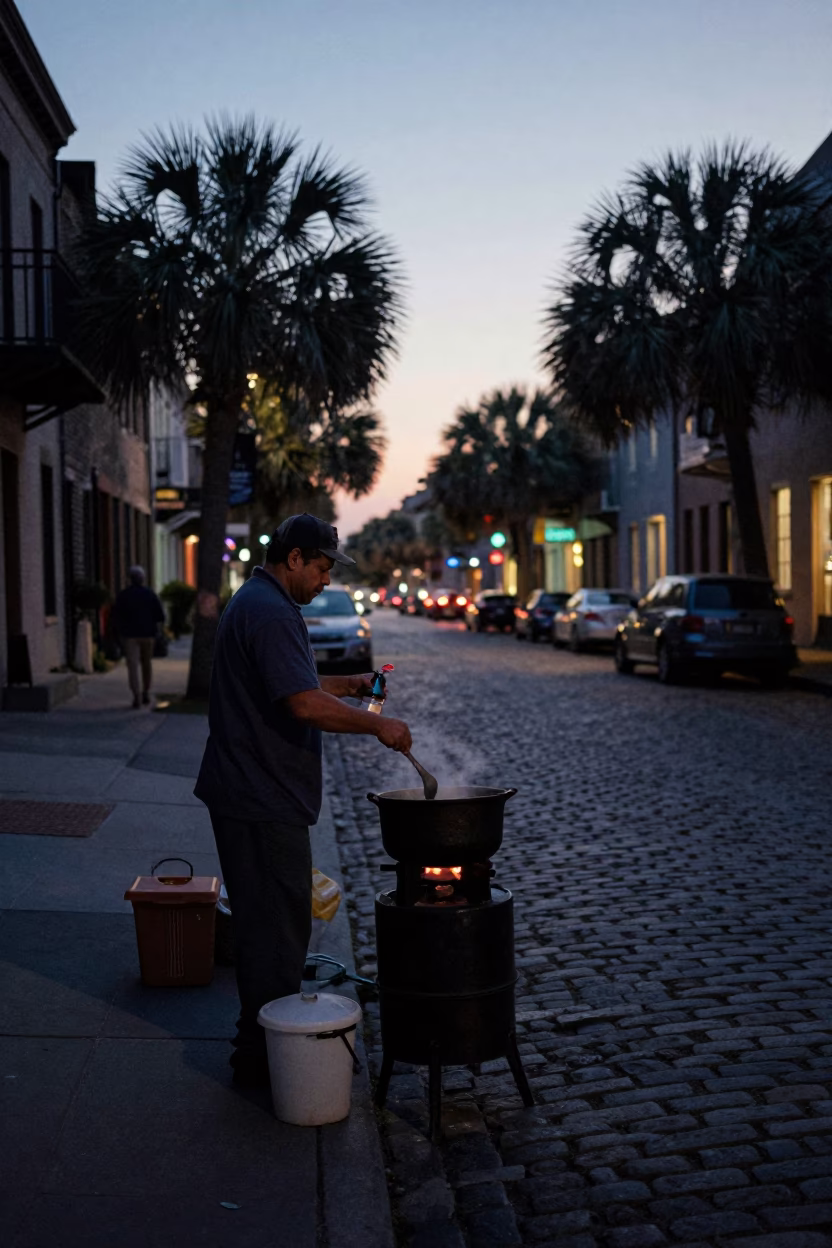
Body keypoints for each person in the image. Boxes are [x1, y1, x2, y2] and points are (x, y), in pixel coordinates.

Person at [194, 513, 412, 1085]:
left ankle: (259, 1048)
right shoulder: (268, 612)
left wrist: (350, 684)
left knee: (274, 926)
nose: (323, 580)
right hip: (259, 795)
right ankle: (264, 1056)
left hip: (255, 791)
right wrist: (378, 729)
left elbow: (297, 685)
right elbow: (301, 705)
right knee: (275, 933)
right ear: (293, 558)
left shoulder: (264, 603)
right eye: (319, 568)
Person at [111, 566, 166, 709]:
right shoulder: (150, 595)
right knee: (146, 664)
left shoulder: (123, 596)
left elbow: (116, 616)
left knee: (133, 666)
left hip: (130, 636)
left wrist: (119, 632)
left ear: (130, 579)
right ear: (143, 579)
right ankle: (146, 692)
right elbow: (160, 616)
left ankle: (136, 695)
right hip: (148, 634)